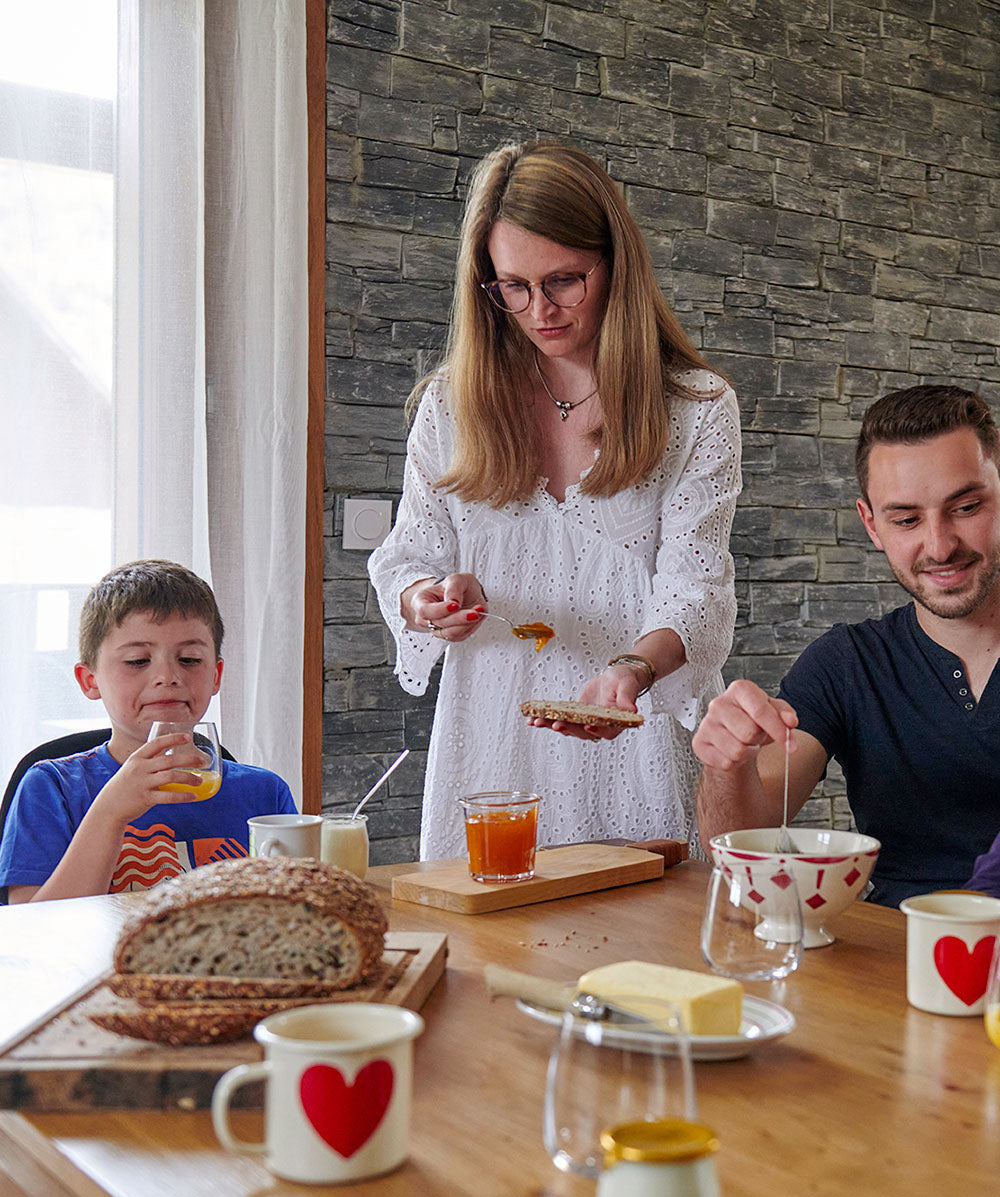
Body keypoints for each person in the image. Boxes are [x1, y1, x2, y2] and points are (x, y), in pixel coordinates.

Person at [369, 141, 741, 859]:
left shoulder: (696, 409)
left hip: (631, 738)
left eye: (564, 281)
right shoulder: (452, 405)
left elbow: (696, 592)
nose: (539, 310)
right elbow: (409, 556)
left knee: (641, 957)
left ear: (615, 266)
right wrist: (429, 599)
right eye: (512, 286)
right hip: (491, 739)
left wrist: (629, 673)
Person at [693, 384, 1000, 907]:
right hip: (889, 957)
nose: (940, 544)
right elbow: (738, 845)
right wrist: (729, 765)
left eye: (966, 507)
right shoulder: (847, 665)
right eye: (906, 519)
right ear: (871, 524)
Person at [0, 560, 296, 902]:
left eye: (189, 659)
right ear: (90, 680)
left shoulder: (265, 794)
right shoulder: (50, 788)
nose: (167, 676)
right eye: (138, 661)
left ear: (216, 676)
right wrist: (111, 811)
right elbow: (33, 933)